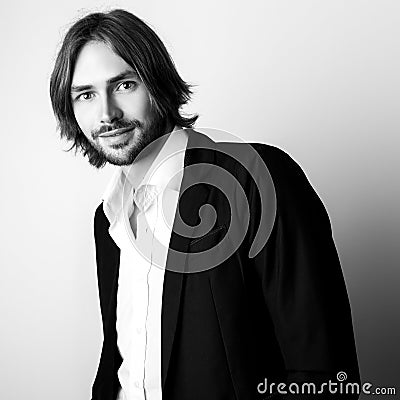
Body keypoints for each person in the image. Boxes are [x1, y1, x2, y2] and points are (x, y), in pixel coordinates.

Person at [49, 9, 360, 400]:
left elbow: (322, 369)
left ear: (157, 84)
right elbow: (122, 357)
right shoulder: (107, 220)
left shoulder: (257, 178)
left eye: (125, 84)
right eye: (86, 94)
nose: (107, 113)